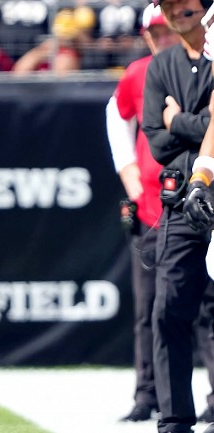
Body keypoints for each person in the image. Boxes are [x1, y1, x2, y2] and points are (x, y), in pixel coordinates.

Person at [142, 0, 214, 431]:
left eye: (183, 0)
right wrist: (196, 123)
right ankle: (174, 419)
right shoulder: (161, 65)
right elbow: (156, 142)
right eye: (166, 4)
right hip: (182, 203)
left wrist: (178, 120)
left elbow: (184, 131)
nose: (176, 9)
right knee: (168, 307)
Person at [106, 3, 180, 422]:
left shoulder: (200, 69)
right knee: (149, 310)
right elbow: (115, 118)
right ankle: (147, 396)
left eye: (166, 29)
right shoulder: (138, 73)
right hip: (152, 206)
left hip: (195, 202)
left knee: (205, 309)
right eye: (154, 32)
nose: (161, 37)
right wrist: (129, 177)